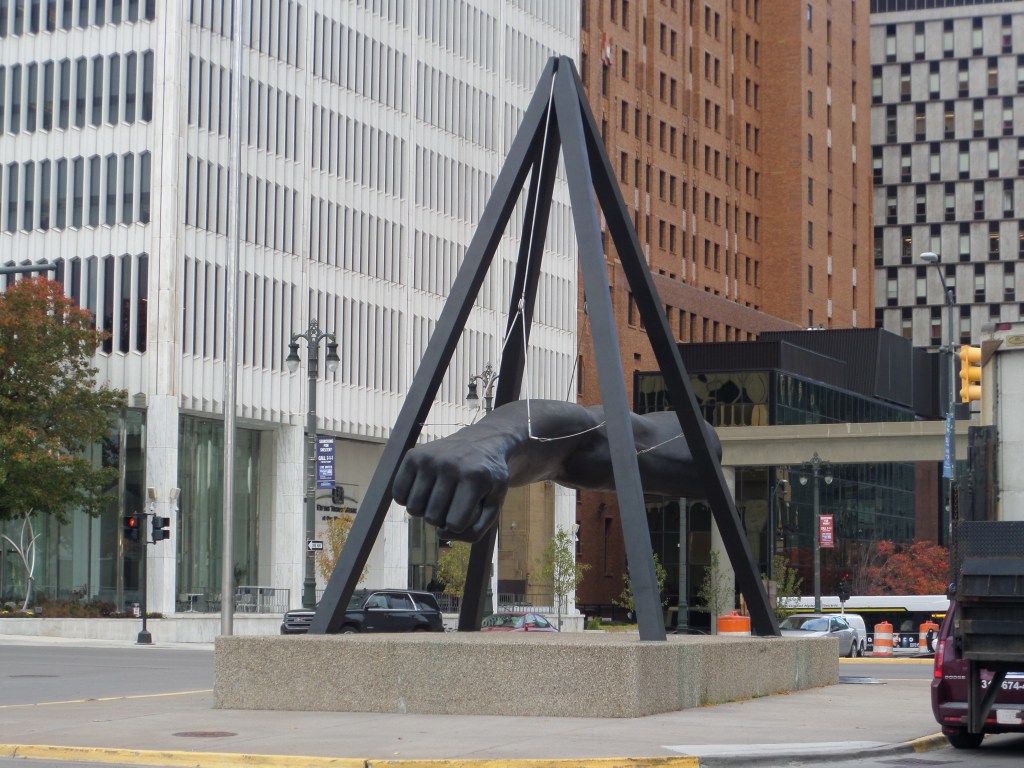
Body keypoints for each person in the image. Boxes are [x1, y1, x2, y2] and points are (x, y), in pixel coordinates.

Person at [393, 398, 720, 542]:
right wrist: (498, 439)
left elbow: (587, 433)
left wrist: (495, 437)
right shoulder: (587, 455)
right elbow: (585, 436)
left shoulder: (591, 453)